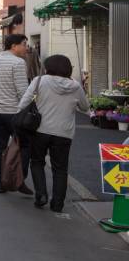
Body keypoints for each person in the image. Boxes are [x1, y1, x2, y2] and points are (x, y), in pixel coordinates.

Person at [18, 54, 89, 212]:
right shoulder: (76, 86)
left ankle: (41, 195)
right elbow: (85, 108)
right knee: (60, 169)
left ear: (48, 67)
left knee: (37, 162)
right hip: (64, 132)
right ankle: (57, 204)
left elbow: (23, 103)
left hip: (40, 130)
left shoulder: (39, 81)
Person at [0, 33, 33, 195]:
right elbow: (23, 93)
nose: (27, 48)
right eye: (24, 44)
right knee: (24, 145)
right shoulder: (18, 63)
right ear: (14, 46)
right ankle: (18, 179)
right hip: (13, 112)